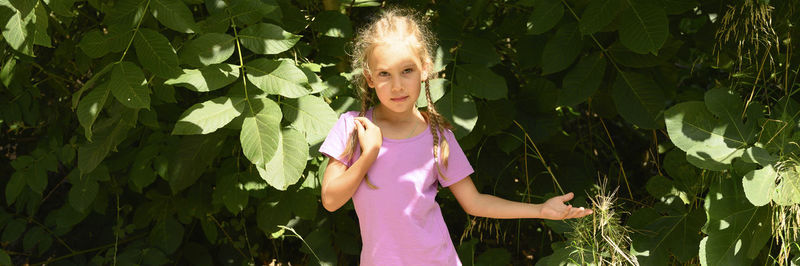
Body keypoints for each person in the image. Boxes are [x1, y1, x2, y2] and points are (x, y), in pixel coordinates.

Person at [319, 8, 593, 266]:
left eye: (407, 71)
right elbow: (330, 201)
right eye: (384, 74)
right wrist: (369, 154)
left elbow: (474, 203)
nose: (397, 85)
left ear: (425, 69)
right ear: (369, 78)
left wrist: (540, 210)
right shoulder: (353, 128)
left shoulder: (437, 135)